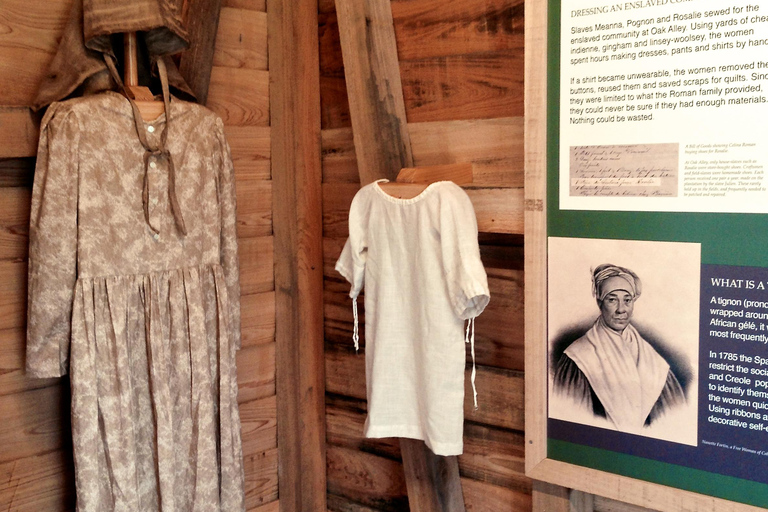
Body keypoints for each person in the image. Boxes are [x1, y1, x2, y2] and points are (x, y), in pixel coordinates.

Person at [553, 264, 686, 431]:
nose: (621, 309)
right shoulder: (578, 358)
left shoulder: (653, 360)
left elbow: (675, 419)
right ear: (600, 303)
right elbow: (571, 420)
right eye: (612, 299)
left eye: (627, 300)